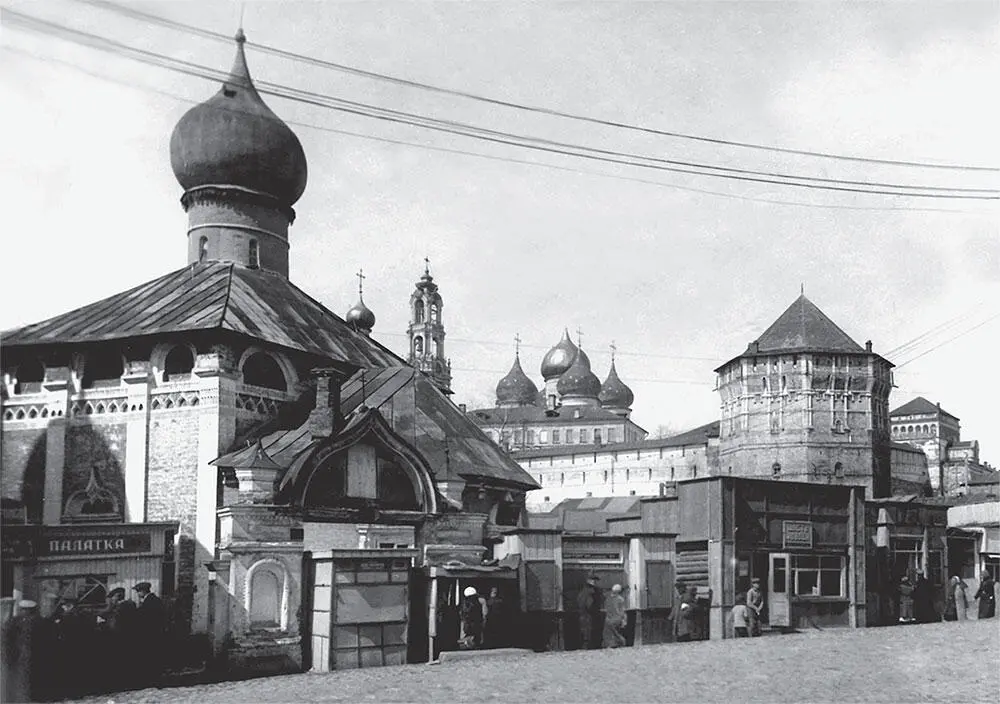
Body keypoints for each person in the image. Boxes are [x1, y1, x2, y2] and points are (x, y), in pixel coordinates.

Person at [132, 582, 166, 682]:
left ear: (143, 591)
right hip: (154, 631)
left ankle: (152, 676)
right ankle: (153, 675)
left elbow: (148, 618)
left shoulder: (150, 602)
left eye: (138, 591)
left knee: (151, 653)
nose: (138, 594)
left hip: (151, 632)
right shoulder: (153, 600)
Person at [576, 573, 604, 649]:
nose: (595, 582)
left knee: (584, 633)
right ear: (589, 580)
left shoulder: (582, 591)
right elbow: (589, 605)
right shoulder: (591, 592)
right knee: (589, 634)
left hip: (582, 615)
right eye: (594, 580)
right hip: (589, 616)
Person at [603, 584, 627, 648]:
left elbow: (606, 609)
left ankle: (611, 644)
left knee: (610, 634)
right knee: (617, 633)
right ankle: (621, 643)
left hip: (608, 619)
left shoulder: (608, 599)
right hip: (617, 619)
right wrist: (624, 620)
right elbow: (622, 611)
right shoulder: (620, 599)